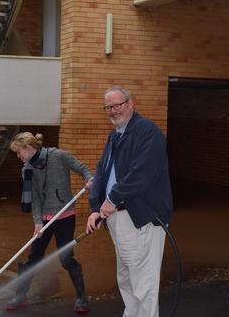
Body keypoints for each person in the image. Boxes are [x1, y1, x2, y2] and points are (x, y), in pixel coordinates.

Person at [85, 86, 173, 317]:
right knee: (126, 278)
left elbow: (141, 173)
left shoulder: (147, 132)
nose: (113, 111)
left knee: (143, 282)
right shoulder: (115, 136)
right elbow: (103, 172)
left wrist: (112, 198)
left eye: (118, 105)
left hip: (141, 218)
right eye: (108, 107)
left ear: (130, 103)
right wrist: (96, 208)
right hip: (117, 217)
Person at [8, 132, 92, 314]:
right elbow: (36, 200)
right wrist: (38, 223)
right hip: (45, 219)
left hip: (65, 215)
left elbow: (82, 168)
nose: (18, 156)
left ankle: (81, 297)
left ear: (27, 148)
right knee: (33, 256)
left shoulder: (59, 156)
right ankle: (20, 295)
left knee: (66, 257)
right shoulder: (27, 170)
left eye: (18, 152)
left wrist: (88, 178)